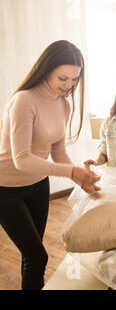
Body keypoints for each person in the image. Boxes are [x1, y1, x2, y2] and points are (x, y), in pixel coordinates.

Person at [0, 40, 101, 290]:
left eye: (74, 80)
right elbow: (21, 159)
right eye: (63, 78)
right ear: (46, 69)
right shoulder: (24, 100)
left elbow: (58, 151)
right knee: (38, 255)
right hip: (6, 188)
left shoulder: (63, 104)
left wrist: (81, 177)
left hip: (37, 186)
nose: (68, 86)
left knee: (31, 256)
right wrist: (71, 172)